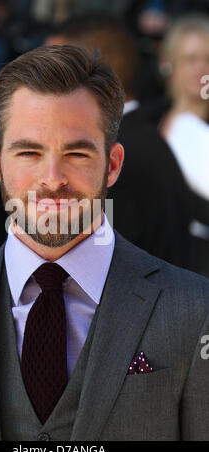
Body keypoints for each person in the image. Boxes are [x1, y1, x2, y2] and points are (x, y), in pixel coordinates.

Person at [0, 45, 209, 441]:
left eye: (77, 153)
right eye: (29, 152)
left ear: (113, 163)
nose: (53, 178)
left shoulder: (195, 308)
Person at [45, 14, 195, 270]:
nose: (37, 83)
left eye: (52, 70)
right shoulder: (142, 140)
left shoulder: (113, 159)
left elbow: (91, 273)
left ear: (95, 74)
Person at [159, 14, 209, 277]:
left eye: (208, 59)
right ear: (170, 64)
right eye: (191, 59)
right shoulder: (147, 119)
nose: (201, 69)